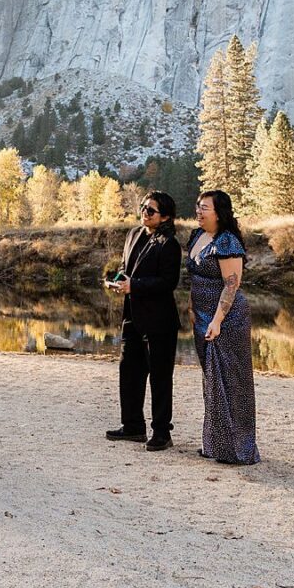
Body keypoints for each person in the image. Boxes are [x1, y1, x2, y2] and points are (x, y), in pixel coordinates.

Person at [185, 189, 259, 465]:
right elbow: (194, 278)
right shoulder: (196, 236)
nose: (199, 211)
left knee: (232, 381)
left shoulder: (227, 241)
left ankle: (238, 448)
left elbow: (232, 283)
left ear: (220, 212)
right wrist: (192, 309)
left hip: (227, 319)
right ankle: (215, 444)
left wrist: (217, 320)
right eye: (198, 206)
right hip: (201, 316)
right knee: (211, 380)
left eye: (205, 207)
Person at [105, 191, 182, 451]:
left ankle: (162, 432)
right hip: (131, 318)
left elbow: (168, 282)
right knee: (129, 373)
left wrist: (134, 286)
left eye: (151, 210)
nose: (144, 213)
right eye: (143, 208)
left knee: (160, 378)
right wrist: (117, 280)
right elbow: (126, 268)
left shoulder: (168, 243)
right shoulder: (133, 234)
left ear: (166, 217)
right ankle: (133, 426)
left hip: (159, 322)